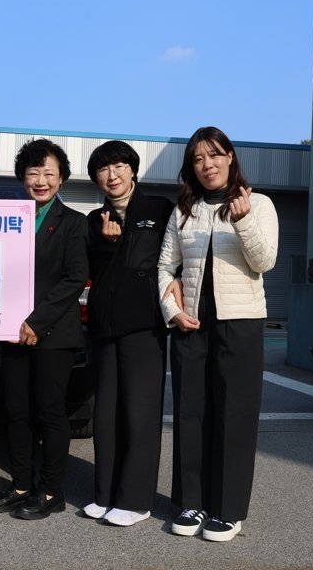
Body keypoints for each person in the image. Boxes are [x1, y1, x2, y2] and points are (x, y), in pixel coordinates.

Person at [156, 126, 278, 542]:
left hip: (240, 323)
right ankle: (191, 502)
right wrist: (172, 310)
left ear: (230, 157)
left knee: (234, 415)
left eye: (213, 155)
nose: (207, 165)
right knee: (190, 412)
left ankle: (227, 510)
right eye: (197, 159)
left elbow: (264, 261)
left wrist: (243, 221)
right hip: (191, 325)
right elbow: (165, 267)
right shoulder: (184, 210)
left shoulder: (258, 204)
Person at [0, 138, 88, 520]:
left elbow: (74, 278)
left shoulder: (74, 222)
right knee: (17, 412)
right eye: (33, 173)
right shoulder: (6, 221)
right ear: (22, 177)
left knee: (49, 412)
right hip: (12, 332)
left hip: (53, 334)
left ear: (61, 179)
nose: (40, 181)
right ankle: (21, 485)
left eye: (48, 173)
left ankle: (51, 491)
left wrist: (37, 322)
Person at [81, 140, 175, 527]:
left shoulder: (159, 209)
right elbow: (92, 272)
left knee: (139, 412)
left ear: (133, 170)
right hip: (104, 326)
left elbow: (171, 261)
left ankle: (135, 501)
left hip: (144, 325)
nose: (112, 175)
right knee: (106, 413)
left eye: (119, 166)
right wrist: (107, 244)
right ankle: (105, 494)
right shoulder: (93, 220)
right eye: (103, 170)